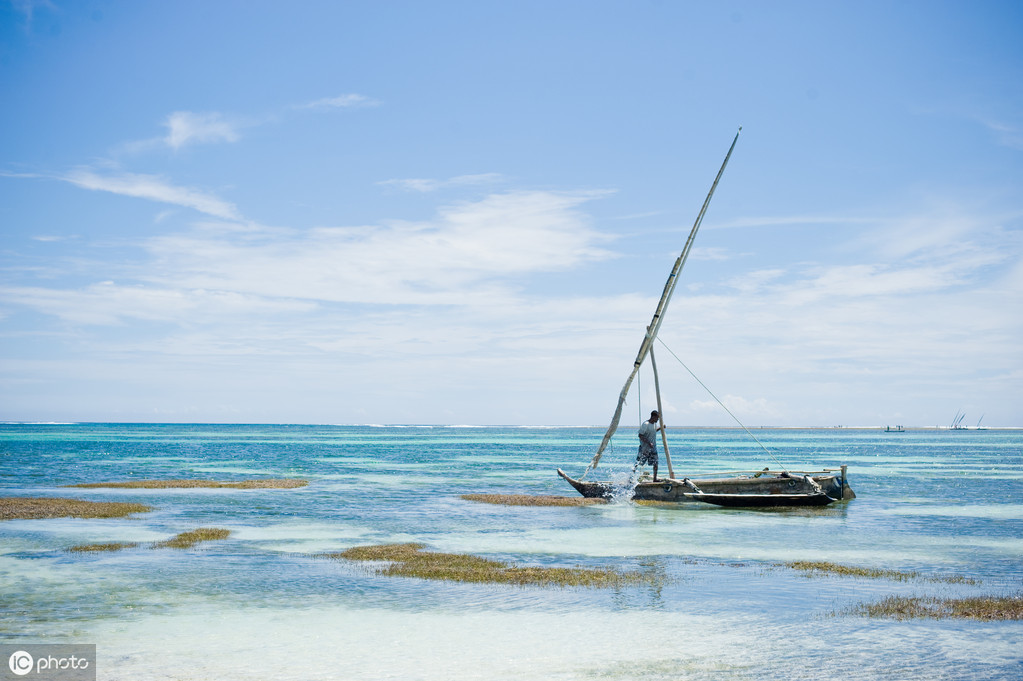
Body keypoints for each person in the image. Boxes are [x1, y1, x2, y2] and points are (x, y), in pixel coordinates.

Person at [635, 410, 664, 482]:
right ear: (653, 417)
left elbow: (653, 431)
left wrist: (660, 428)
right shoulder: (646, 424)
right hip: (645, 448)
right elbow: (640, 435)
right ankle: (631, 477)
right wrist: (648, 443)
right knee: (638, 463)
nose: (658, 419)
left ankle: (655, 479)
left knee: (656, 463)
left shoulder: (654, 424)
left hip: (653, 447)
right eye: (657, 418)